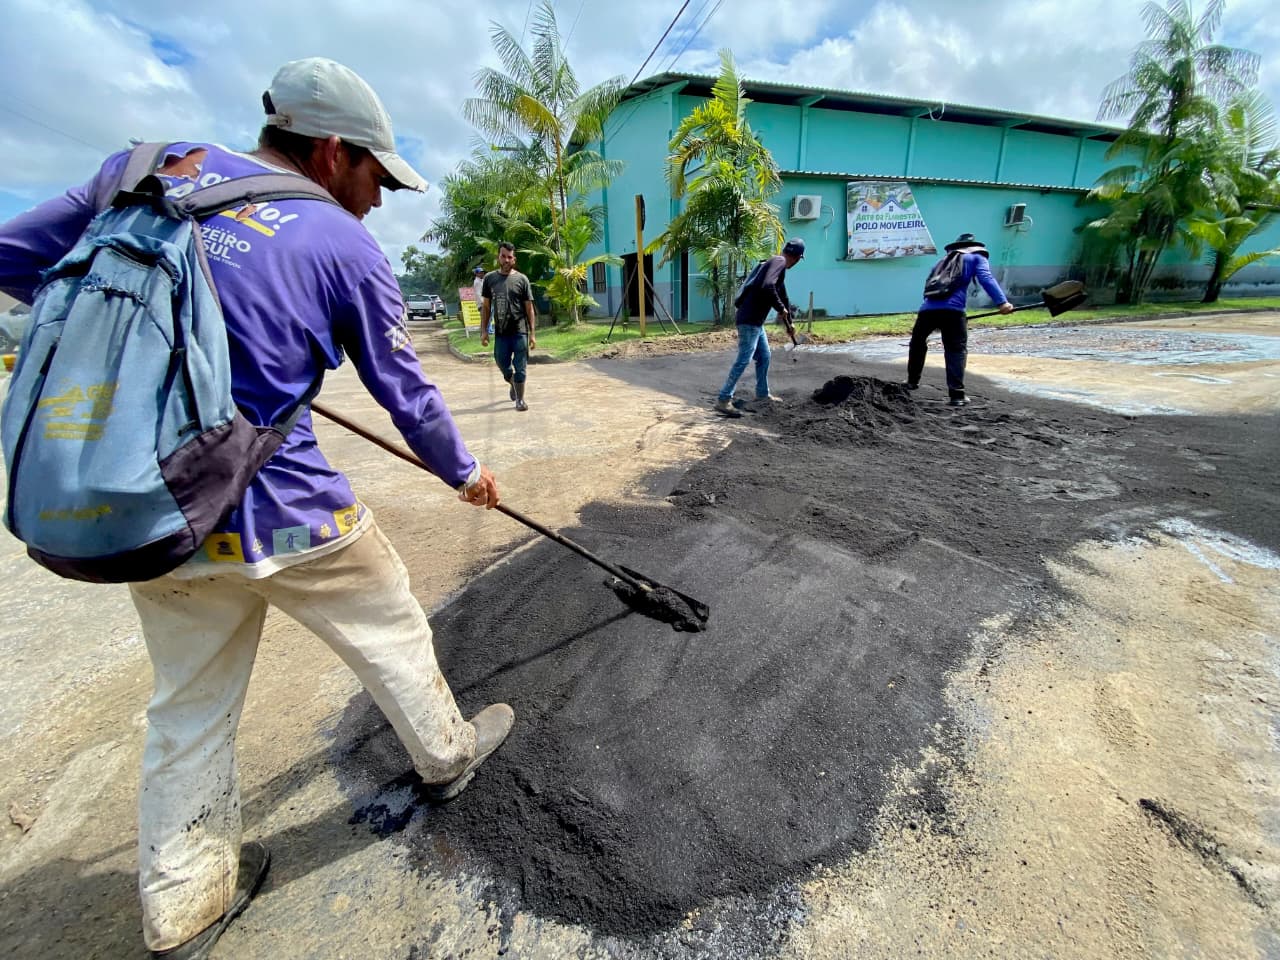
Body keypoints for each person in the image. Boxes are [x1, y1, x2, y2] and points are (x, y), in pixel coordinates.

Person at [0, 58, 514, 960]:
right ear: (328, 151)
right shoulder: (342, 243)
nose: (380, 200)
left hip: (157, 509)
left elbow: (14, 263)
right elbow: (409, 395)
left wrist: (177, 364)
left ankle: (182, 908)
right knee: (390, 625)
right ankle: (446, 756)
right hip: (289, 511)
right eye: (375, 177)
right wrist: (464, 471)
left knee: (189, 705)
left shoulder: (144, 175)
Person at [906, 232, 1013, 407]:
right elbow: (986, 279)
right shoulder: (977, 257)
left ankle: (911, 381)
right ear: (975, 246)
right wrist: (1002, 302)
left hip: (927, 310)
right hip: (953, 311)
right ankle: (957, 395)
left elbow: (930, 285)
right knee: (955, 349)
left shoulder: (941, 261)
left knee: (917, 342)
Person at [714, 237, 804, 418]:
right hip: (749, 320)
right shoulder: (778, 261)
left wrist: (790, 323)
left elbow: (782, 295)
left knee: (764, 355)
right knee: (744, 358)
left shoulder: (777, 267)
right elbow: (767, 286)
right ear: (796, 257)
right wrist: (780, 308)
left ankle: (763, 393)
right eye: (798, 259)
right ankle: (724, 399)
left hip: (756, 322)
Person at [480, 241, 537, 411]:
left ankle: (520, 400)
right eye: (503, 256)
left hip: (520, 332)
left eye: (509, 257)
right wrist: (483, 331)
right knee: (502, 363)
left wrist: (532, 334)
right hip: (501, 333)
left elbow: (529, 308)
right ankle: (512, 382)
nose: (506, 260)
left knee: (521, 368)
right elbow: (486, 307)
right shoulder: (490, 279)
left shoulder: (522, 279)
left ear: (514, 259)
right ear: (498, 257)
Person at [473, 263, 489, 336]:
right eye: (480, 273)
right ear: (476, 274)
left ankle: (484, 333)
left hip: (485, 302)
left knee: (485, 319)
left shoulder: (481, 281)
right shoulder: (477, 282)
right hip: (482, 304)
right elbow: (478, 293)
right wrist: (483, 302)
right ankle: (482, 334)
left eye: (482, 272)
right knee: (483, 319)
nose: (482, 274)